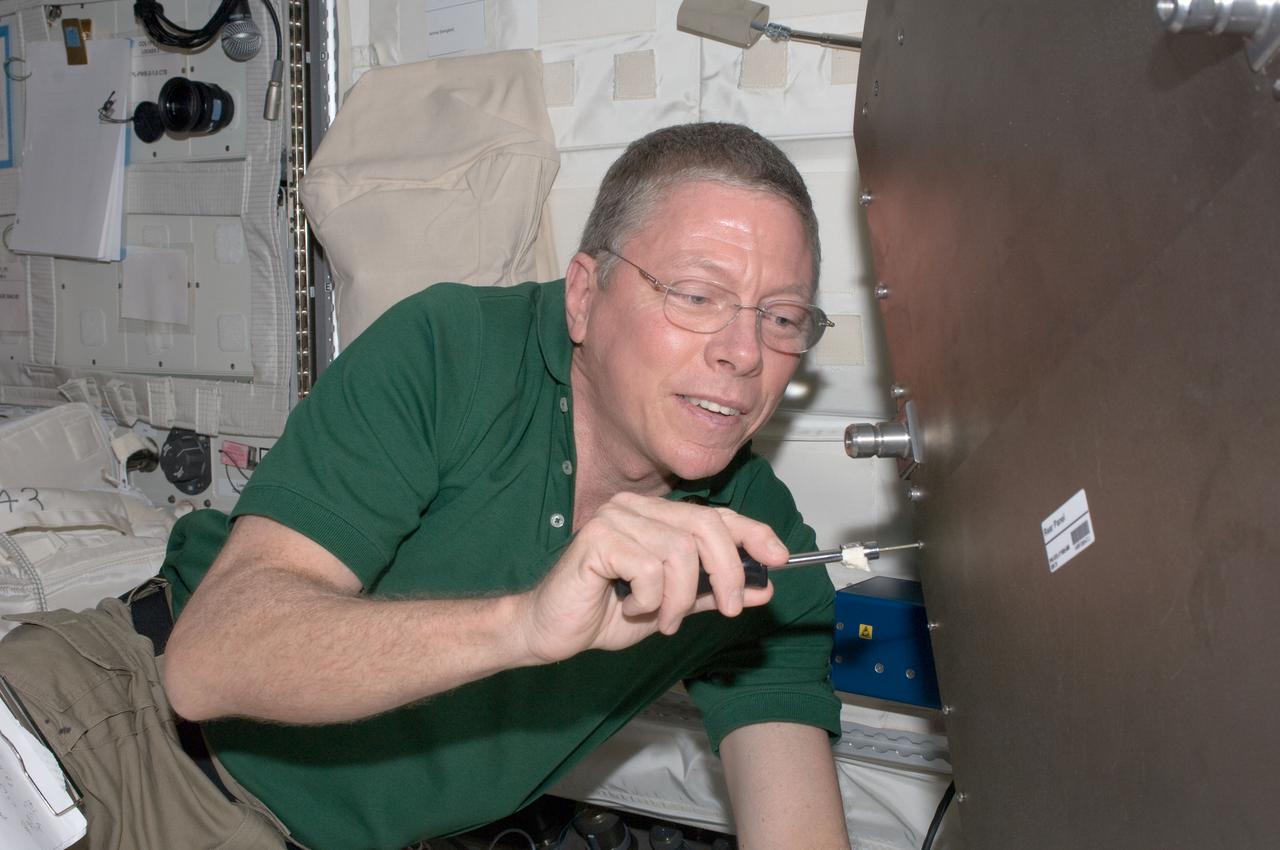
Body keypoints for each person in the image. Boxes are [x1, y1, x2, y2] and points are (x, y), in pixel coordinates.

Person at [0, 122, 851, 850]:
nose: (745, 353)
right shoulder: (453, 353)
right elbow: (210, 664)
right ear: (584, 296)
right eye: (698, 296)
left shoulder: (762, 553)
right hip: (118, 739)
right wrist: (525, 624)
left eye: (782, 318)